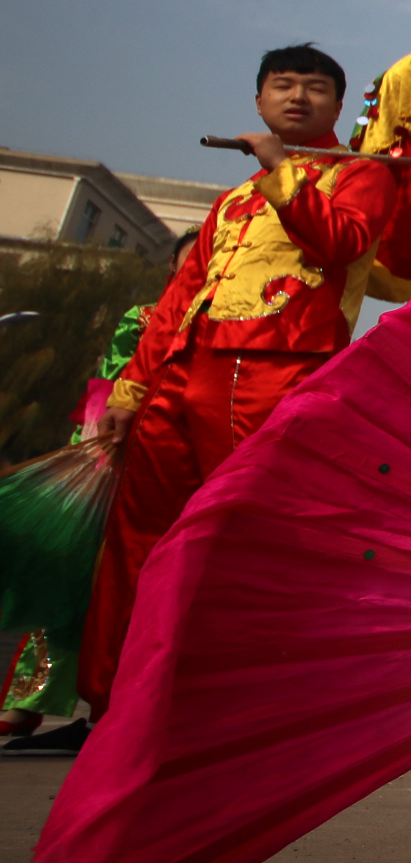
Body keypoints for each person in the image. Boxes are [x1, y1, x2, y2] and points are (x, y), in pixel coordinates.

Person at [79, 45, 397, 714]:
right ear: (258, 101)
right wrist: (130, 393)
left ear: (339, 108)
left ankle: (236, 697)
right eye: (283, 86)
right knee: (142, 534)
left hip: (275, 366)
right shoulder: (233, 200)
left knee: (245, 530)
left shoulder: (362, 173)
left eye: (315, 89)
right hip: (183, 369)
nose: (297, 98)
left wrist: (284, 172)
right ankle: (121, 698)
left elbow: (337, 243)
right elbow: (180, 298)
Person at [0, 226, 193, 754]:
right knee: (75, 584)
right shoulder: (146, 319)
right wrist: (94, 452)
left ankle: (125, 712)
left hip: (176, 469)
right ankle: (28, 702)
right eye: (186, 264)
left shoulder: (227, 327)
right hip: (115, 463)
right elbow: (110, 392)